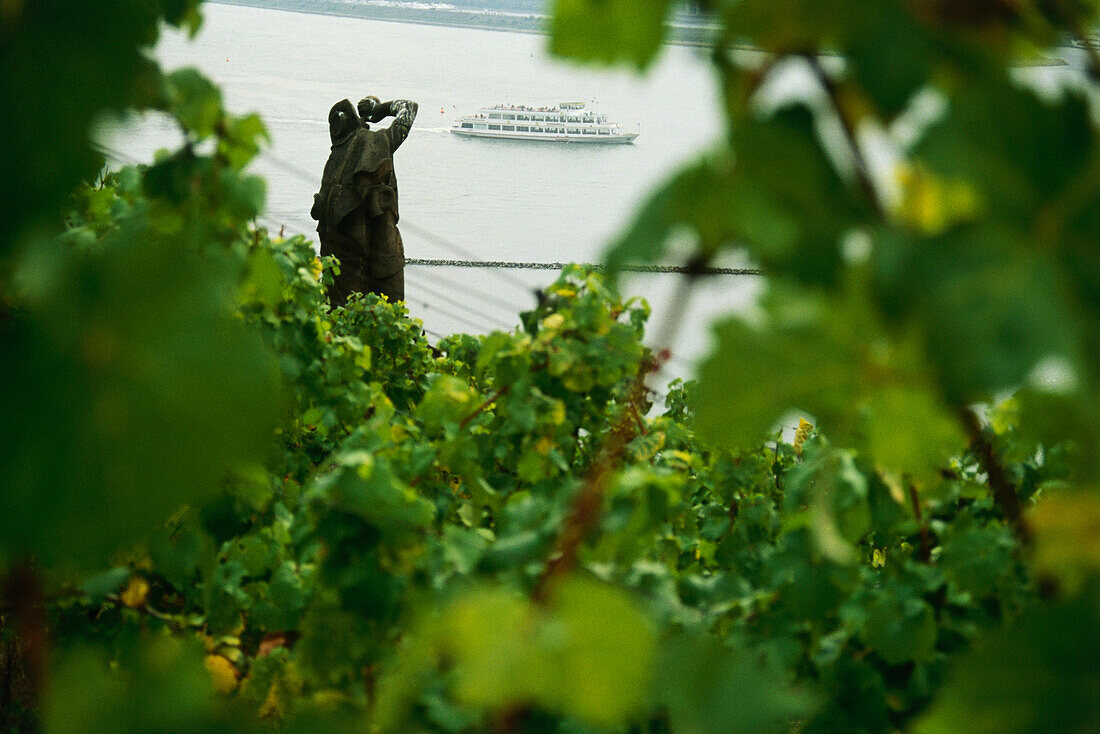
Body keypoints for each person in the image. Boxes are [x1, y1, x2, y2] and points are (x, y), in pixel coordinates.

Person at [311, 95, 418, 307]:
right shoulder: (376, 144)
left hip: (339, 265)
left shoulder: (334, 161)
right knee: (384, 315)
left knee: (342, 314)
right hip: (379, 258)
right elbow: (409, 109)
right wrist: (380, 109)